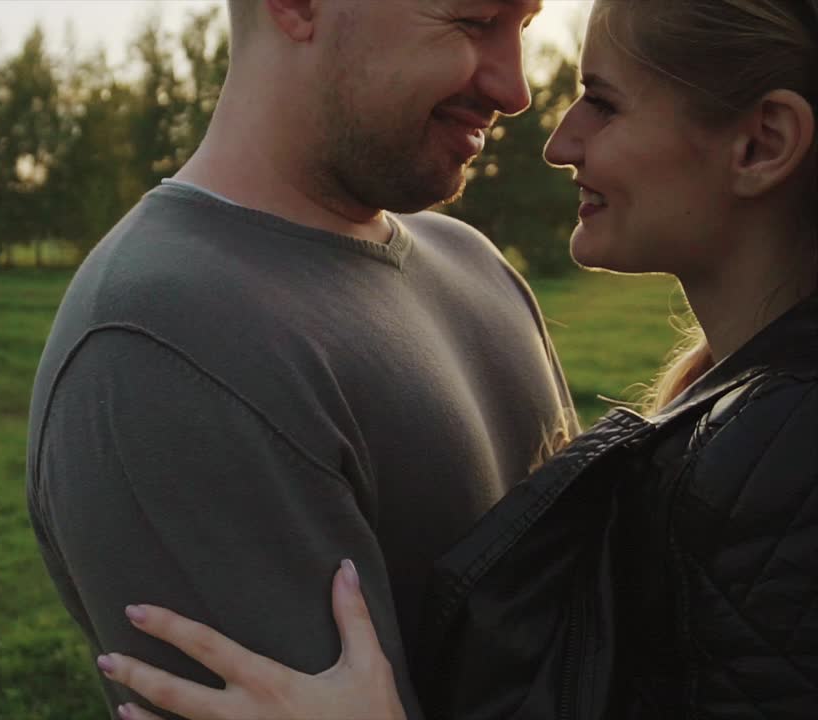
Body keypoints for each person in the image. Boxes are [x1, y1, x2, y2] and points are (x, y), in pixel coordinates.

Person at [95, 0, 818, 717]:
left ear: (762, 145)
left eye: (602, 102)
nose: (535, 112)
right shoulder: (159, 336)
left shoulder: (781, 451)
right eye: (474, 21)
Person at [25, 0, 567, 717]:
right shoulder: (163, 342)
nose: (515, 89)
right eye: (472, 21)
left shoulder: (473, 264)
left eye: (522, 28)